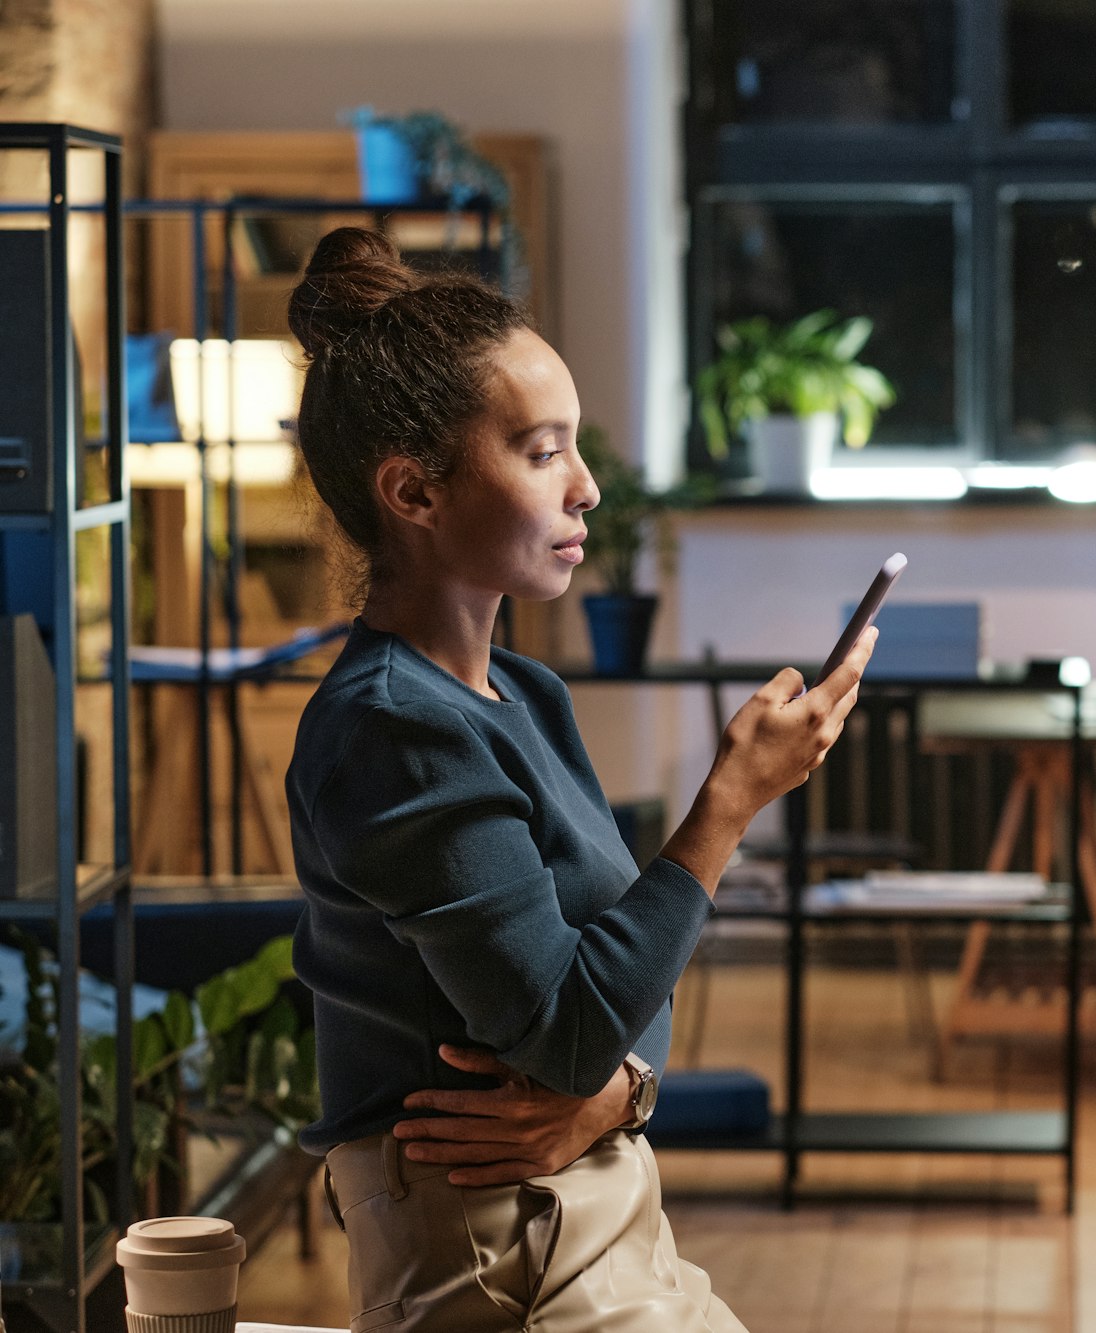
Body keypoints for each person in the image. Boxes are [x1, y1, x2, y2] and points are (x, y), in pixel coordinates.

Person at [282, 227, 869, 1332]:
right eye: (542, 451)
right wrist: (728, 806)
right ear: (414, 490)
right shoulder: (392, 731)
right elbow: (568, 1025)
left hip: (601, 1208)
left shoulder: (525, 696)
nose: (588, 488)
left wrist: (614, 1093)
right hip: (492, 1247)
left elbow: (624, 979)